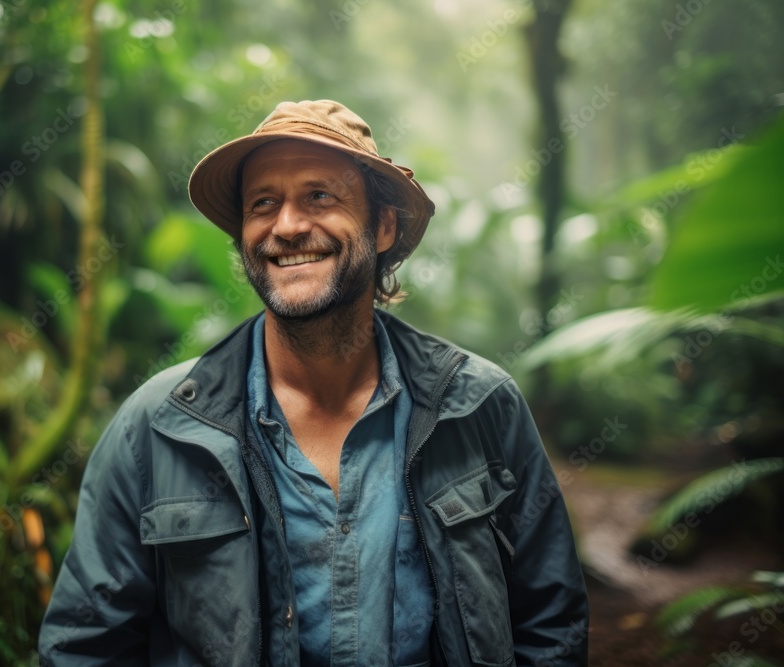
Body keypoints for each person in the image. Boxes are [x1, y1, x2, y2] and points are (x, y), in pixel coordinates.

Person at [38, 99, 589, 666]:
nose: (288, 225)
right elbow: (86, 646)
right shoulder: (156, 428)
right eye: (263, 203)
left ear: (383, 226)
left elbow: (551, 626)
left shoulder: (478, 405)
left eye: (319, 196)